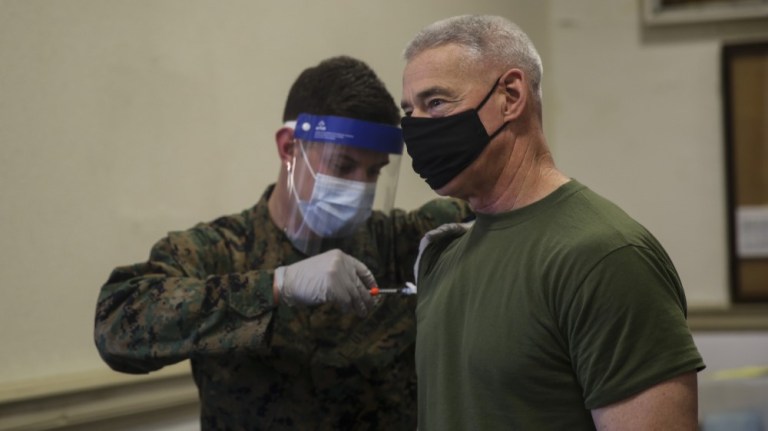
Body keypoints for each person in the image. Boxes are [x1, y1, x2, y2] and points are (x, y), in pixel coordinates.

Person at [94, 55, 472, 430]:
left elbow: (493, 202)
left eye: (373, 171)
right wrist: (275, 286)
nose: (360, 186)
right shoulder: (220, 251)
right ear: (290, 148)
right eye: (343, 166)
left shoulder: (399, 242)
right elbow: (117, 327)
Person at [399, 15, 705, 430]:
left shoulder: (604, 256)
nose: (415, 127)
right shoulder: (444, 260)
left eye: (435, 103)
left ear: (510, 96)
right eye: (409, 110)